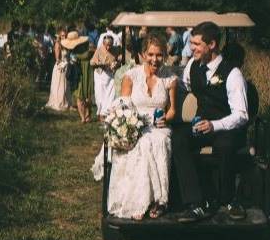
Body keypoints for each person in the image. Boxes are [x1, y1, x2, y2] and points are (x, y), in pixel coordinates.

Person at [92, 33, 178, 220]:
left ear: (164, 55)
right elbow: (123, 105)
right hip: (135, 124)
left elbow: (172, 110)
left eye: (159, 55)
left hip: (158, 126)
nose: (155, 60)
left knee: (159, 140)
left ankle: (159, 201)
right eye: (151, 55)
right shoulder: (131, 76)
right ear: (143, 54)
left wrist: (166, 118)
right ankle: (138, 201)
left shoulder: (169, 79)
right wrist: (128, 124)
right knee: (142, 144)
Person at [172, 21, 249, 223]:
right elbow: (183, 86)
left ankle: (230, 200)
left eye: (197, 44)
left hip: (226, 127)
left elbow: (241, 115)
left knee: (225, 145)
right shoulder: (192, 66)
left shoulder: (233, 74)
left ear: (212, 44)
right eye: (191, 43)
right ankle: (195, 203)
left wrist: (215, 125)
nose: (191, 48)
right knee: (179, 139)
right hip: (201, 125)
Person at [61, 30, 95, 123]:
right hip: (78, 72)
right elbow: (70, 61)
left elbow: (93, 53)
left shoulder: (87, 45)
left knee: (88, 94)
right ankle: (83, 117)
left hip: (87, 70)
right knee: (80, 95)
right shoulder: (71, 51)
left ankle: (88, 115)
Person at [45, 28, 73, 111]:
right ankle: (59, 102)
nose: (64, 37)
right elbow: (57, 59)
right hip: (60, 67)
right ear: (60, 36)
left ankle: (67, 102)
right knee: (60, 85)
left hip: (67, 66)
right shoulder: (58, 44)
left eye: (65, 35)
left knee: (66, 85)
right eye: (62, 35)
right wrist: (62, 64)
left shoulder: (67, 44)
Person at [91, 35, 118, 120]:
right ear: (103, 43)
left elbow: (117, 59)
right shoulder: (99, 50)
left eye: (110, 45)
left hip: (110, 77)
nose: (108, 47)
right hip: (100, 75)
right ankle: (100, 113)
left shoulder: (115, 50)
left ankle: (106, 113)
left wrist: (115, 64)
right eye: (106, 45)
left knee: (110, 95)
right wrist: (100, 64)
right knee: (100, 95)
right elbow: (92, 62)